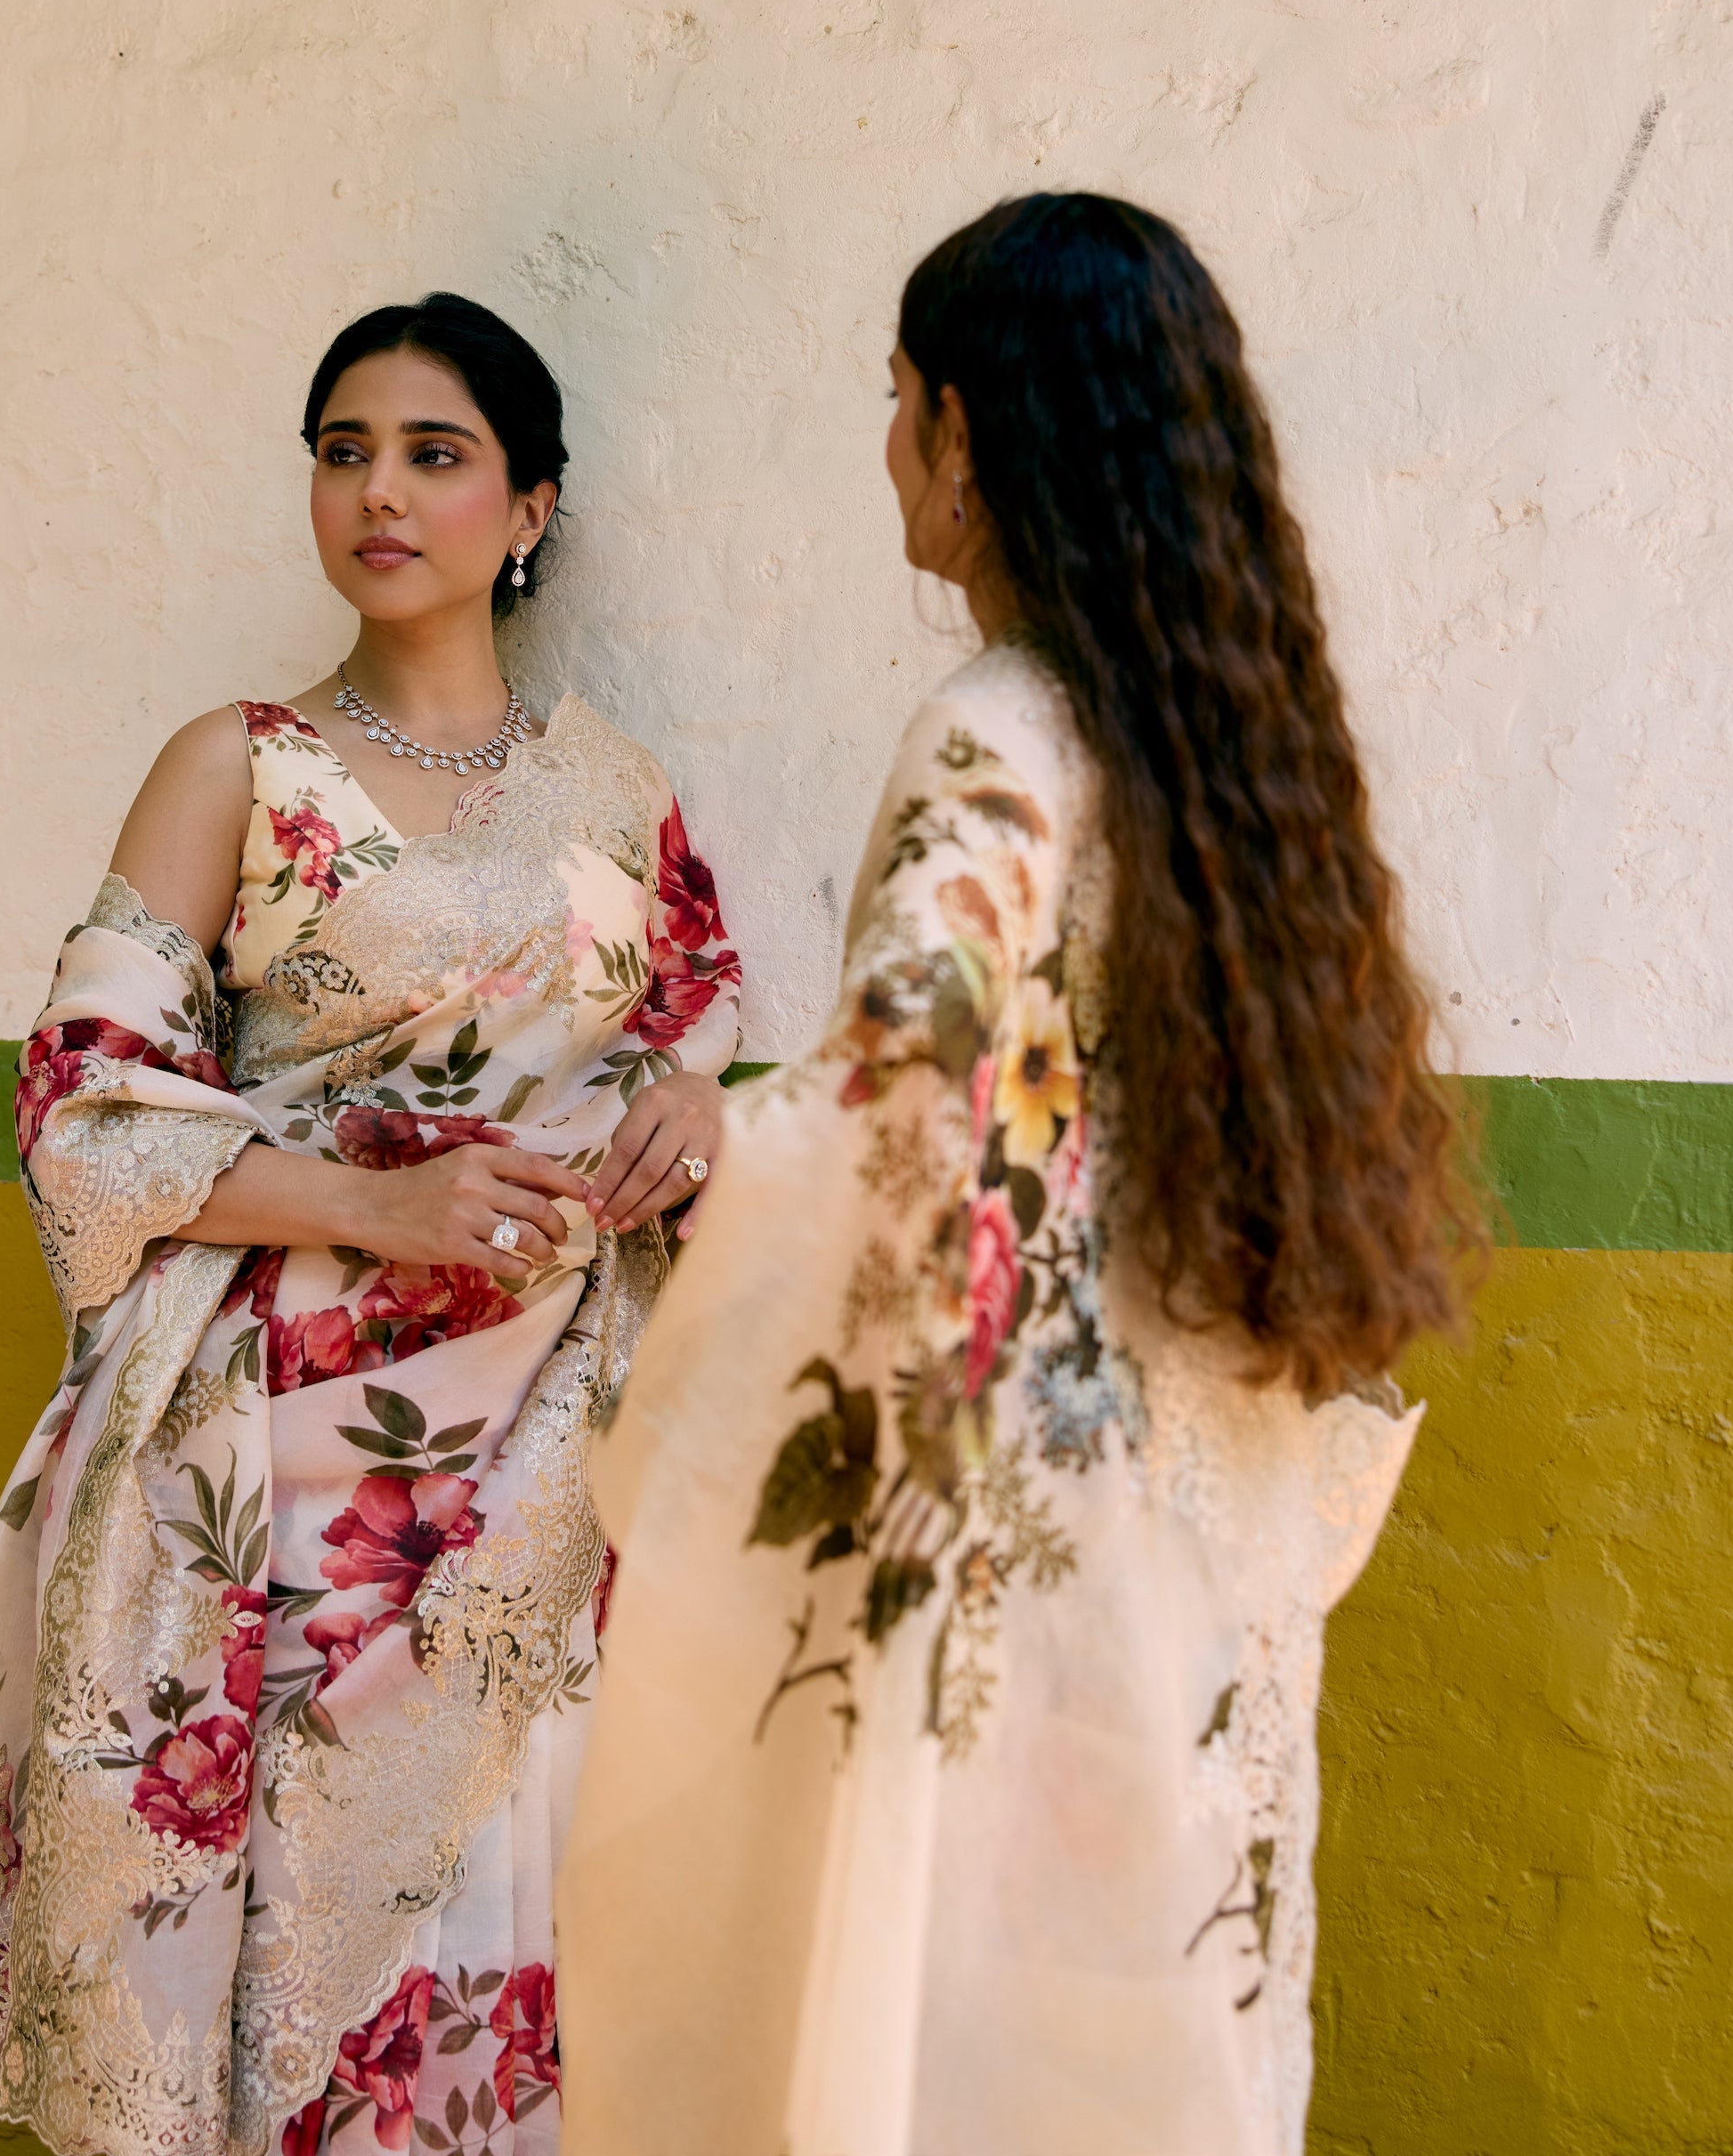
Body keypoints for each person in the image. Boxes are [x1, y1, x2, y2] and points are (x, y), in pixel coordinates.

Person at [557, 196, 1480, 2156]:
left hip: (1015, 1552)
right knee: (1147, 2051)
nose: (891, 447)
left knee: (928, 2057)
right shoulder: (1231, 765)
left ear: (967, 438)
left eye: (898, 403)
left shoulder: (992, 734)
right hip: (1197, 1529)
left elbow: (897, 1090)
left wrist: (725, 1129)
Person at [0, 293, 741, 2156]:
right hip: (286, 1471)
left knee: (509, 1906)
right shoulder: (239, 767)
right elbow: (80, 1105)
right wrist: (378, 1196)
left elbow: (692, 1016)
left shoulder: (620, 791)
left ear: (529, 509)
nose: (378, 490)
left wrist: (691, 1105)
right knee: (291, 1923)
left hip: (551, 1452)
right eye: (342, 448)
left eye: (434, 455)